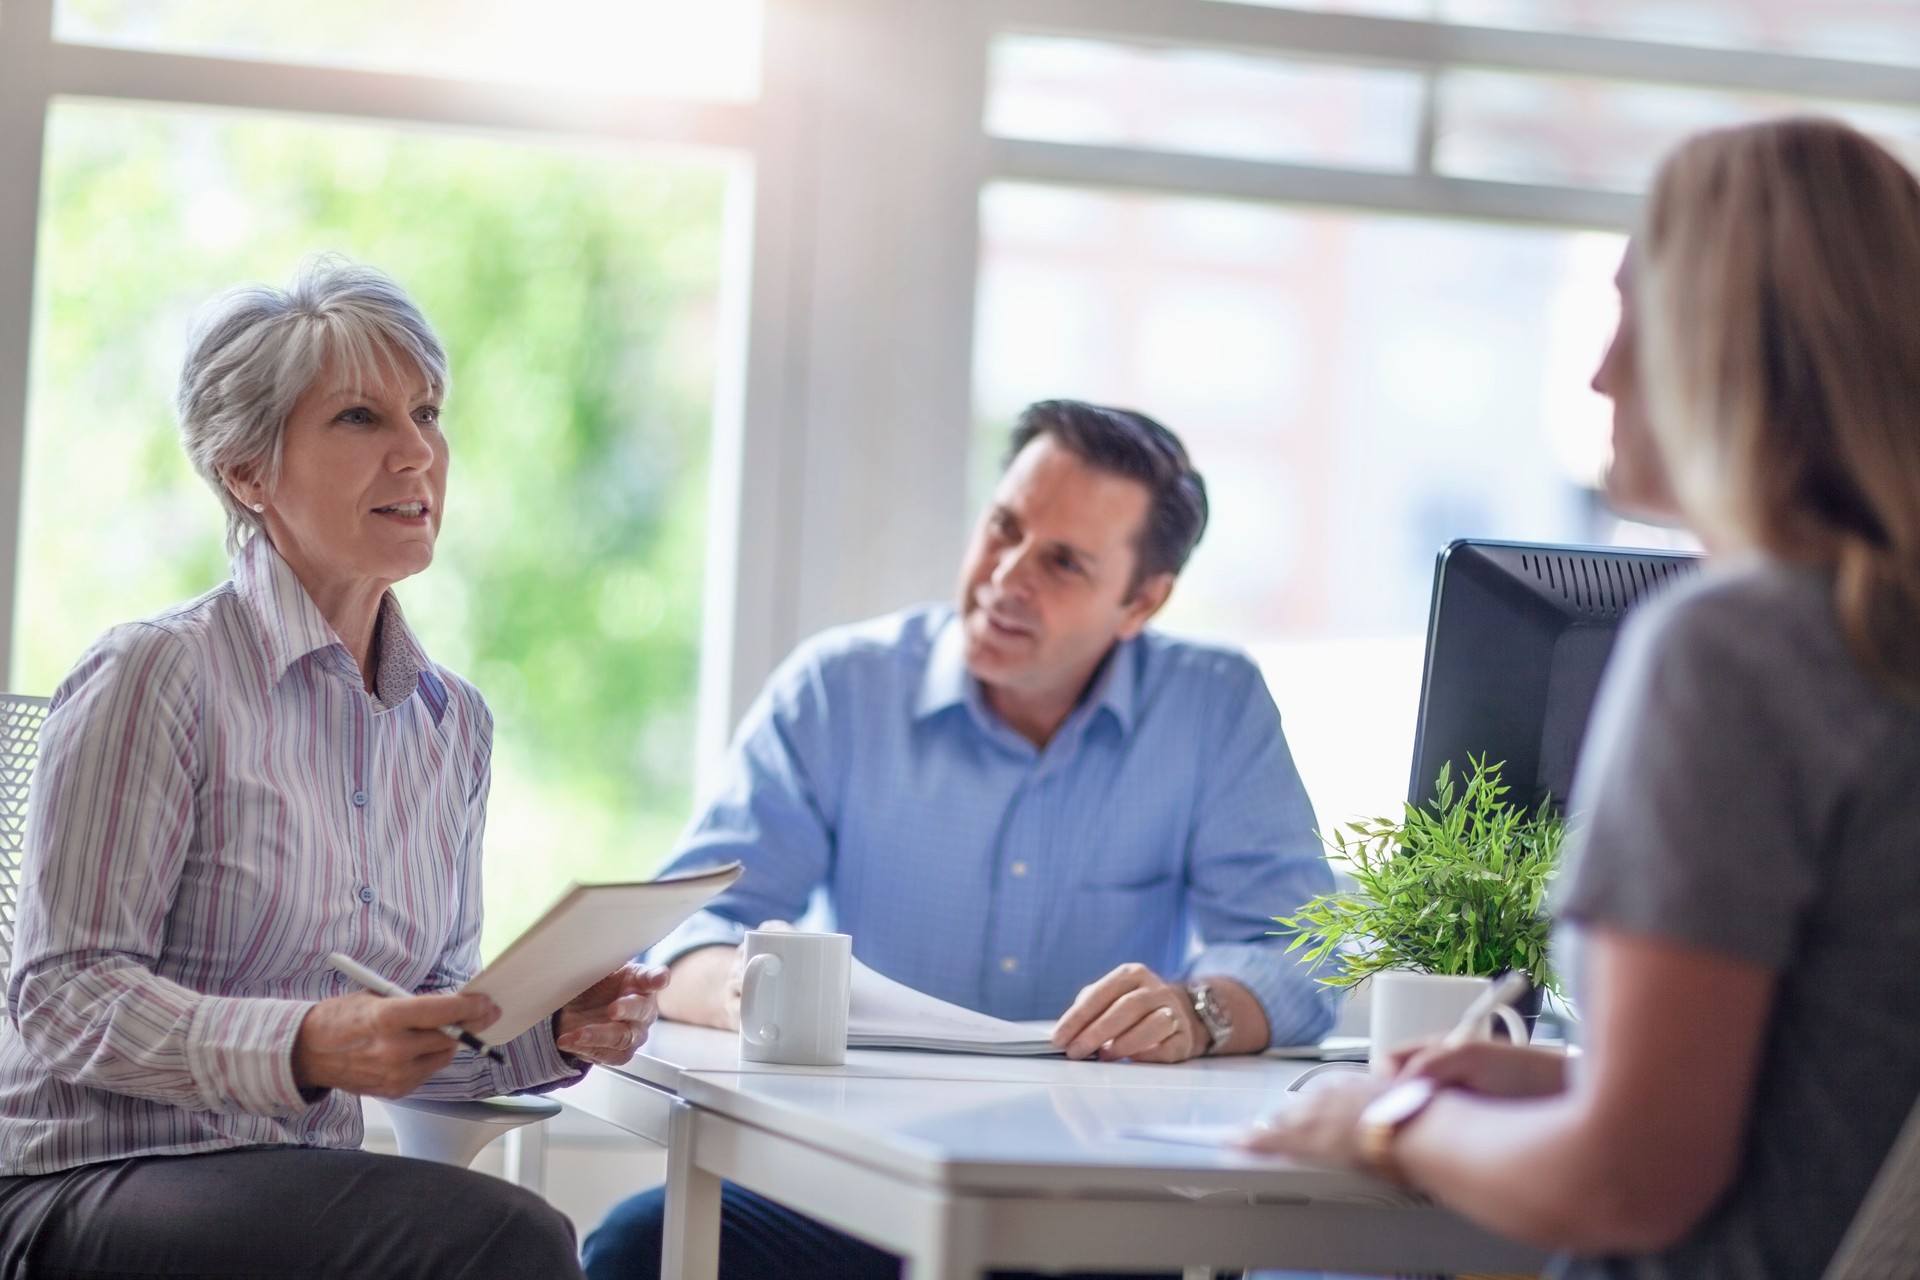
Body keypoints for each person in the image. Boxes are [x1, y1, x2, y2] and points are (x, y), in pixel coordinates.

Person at [1245, 117, 1920, 1280]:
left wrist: (1377, 1122)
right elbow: (1849, 1073)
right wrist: (1574, 1077)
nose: (1603, 371)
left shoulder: (1734, 647)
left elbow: (1628, 1181)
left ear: (1742, 347)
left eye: (1636, 313)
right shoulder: (1876, 645)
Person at [0, 258, 668, 1278]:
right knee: (508, 1235)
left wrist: (554, 1028)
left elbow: (421, 1028)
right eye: (360, 418)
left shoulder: (453, 726)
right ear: (246, 471)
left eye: (429, 412)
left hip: (286, 1184)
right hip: (82, 1180)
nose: (417, 454)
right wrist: (305, 1042)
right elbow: (62, 996)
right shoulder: (156, 673)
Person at [584, 399, 1338, 1280]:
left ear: (1142, 601)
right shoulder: (840, 692)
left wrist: (1197, 1013)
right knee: (643, 1245)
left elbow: (1307, 952)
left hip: (1088, 1202)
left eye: (1062, 562)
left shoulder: (1212, 708)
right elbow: (687, 930)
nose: (1006, 576)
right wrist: (758, 992)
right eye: (1004, 527)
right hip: (847, 1184)